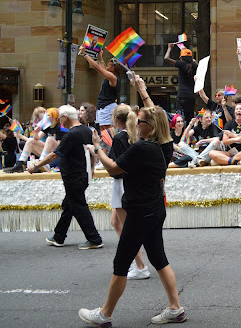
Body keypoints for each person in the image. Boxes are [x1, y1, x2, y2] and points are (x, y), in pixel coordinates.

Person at [79, 105, 186, 326]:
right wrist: (142, 90)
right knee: (158, 258)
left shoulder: (143, 148)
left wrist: (98, 148)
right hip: (155, 208)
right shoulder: (163, 146)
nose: (136, 125)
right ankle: (175, 308)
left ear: (151, 126)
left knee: (121, 262)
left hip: (140, 211)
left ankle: (104, 314)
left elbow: (112, 168)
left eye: (140, 122)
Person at [28, 105, 103, 249]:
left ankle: (94, 238)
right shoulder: (86, 130)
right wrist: (92, 169)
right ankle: (59, 236)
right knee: (69, 206)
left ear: (65, 117)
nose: (59, 120)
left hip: (74, 176)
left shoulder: (72, 134)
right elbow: (91, 151)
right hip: (82, 174)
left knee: (79, 206)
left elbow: (54, 154)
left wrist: (36, 166)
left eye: (60, 117)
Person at [107, 104, 150, 280]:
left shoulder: (119, 138)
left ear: (116, 119)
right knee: (116, 223)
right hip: (129, 183)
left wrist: (97, 152)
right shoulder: (135, 136)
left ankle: (140, 265)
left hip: (122, 184)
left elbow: (115, 166)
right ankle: (135, 261)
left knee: (126, 228)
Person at [79, 49, 124, 130]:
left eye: (109, 65)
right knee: (103, 131)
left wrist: (85, 54)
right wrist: (100, 58)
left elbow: (97, 67)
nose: (106, 66)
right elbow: (102, 69)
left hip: (108, 106)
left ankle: (110, 143)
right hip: (103, 107)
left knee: (108, 131)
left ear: (113, 68)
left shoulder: (114, 78)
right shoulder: (109, 77)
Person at [164, 44, 198, 124]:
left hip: (182, 95)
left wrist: (169, 48)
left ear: (182, 58)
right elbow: (194, 61)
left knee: (179, 118)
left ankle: (181, 134)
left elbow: (166, 58)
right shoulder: (195, 66)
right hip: (191, 96)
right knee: (190, 118)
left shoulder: (182, 64)